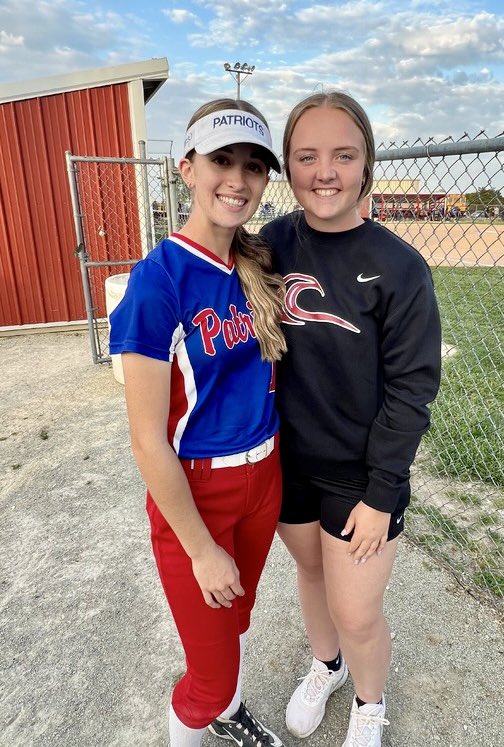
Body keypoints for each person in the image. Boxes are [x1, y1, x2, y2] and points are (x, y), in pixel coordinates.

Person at [260, 91, 442, 747]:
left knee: (358, 608)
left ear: (367, 164)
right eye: (306, 156)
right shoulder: (270, 245)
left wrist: (380, 490)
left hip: (360, 473)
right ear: (286, 166)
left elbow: (411, 387)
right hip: (289, 462)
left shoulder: (398, 266)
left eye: (343, 154)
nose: (324, 171)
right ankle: (326, 666)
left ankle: (369, 701)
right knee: (311, 575)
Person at [109, 98, 287, 747]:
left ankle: (227, 708)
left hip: (263, 480)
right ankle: (214, 705)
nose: (237, 179)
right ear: (186, 167)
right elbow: (146, 439)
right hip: (198, 498)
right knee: (206, 677)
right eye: (220, 159)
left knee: (235, 623)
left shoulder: (255, 263)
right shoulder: (156, 283)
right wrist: (200, 547)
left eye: (253, 165)